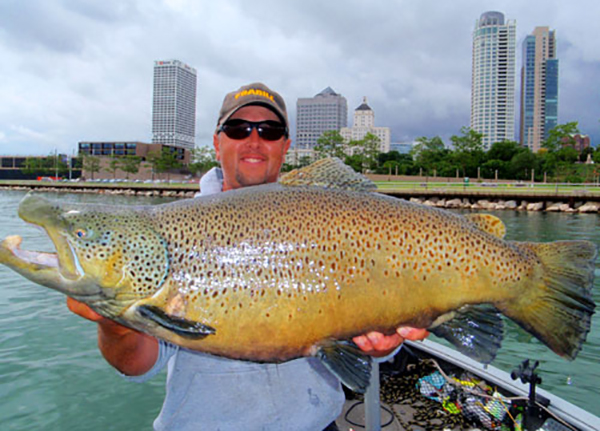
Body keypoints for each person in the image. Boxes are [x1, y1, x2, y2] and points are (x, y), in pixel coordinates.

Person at [68, 82, 428, 431]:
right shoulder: (172, 232)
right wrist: (114, 323)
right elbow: (136, 365)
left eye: (270, 131)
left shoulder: (335, 226)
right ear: (216, 140)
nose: (254, 140)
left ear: (285, 146)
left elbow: (365, 338)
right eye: (238, 128)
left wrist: (380, 346)